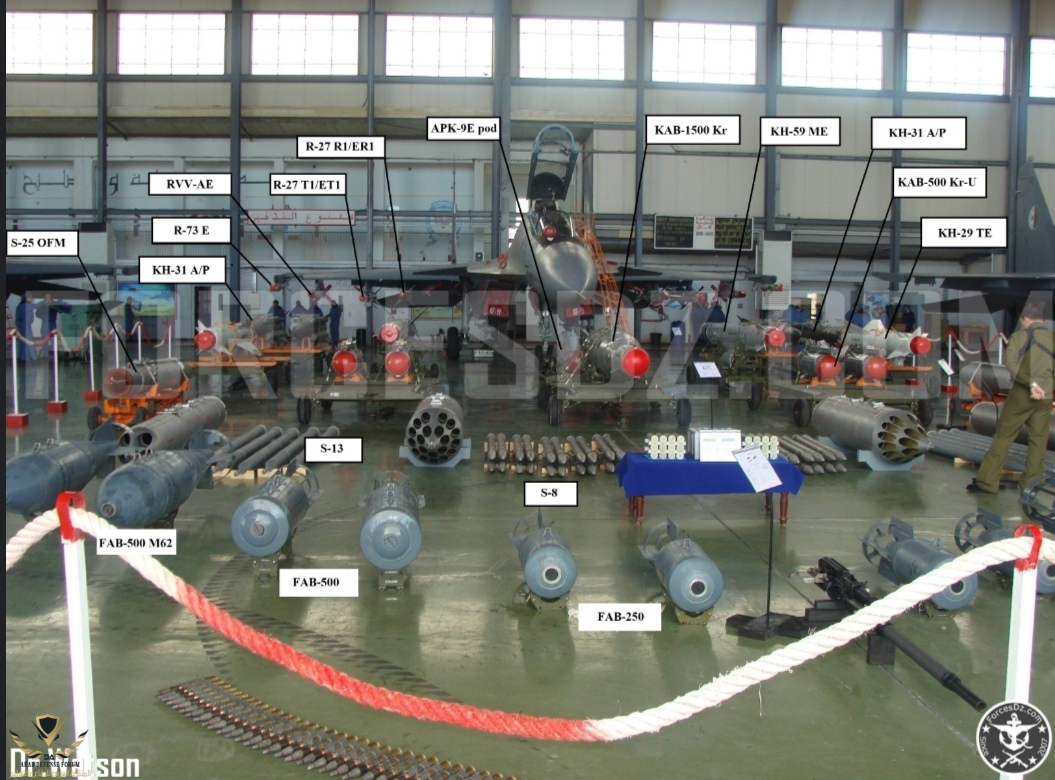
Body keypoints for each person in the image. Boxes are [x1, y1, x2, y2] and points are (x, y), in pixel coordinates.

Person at [970, 302, 1053, 493]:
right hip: (1046, 396)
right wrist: (1046, 387)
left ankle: (987, 482)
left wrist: (1031, 384)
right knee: (1039, 441)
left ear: (1025, 319)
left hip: (1023, 394)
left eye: (1022, 322)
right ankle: (1031, 485)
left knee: (1004, 436)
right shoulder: (1053, 338)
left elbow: (1011, 364)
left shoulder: (1020, 336)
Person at [38, 294, 73, 358]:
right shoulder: (41, 304)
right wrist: (43, 317)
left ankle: (54, 354)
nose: (48, 298)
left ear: (51, 297)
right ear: (44, 298)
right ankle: (45, 355)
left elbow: (61, 311)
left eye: (49, 296)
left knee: (53, 339)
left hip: (52, 322)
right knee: (44, 339)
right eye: (46, 297)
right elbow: (37, 313)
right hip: (45, 322)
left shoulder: (55, 304)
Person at [14, 293, 38, 361]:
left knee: (23, 341)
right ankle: (34, 357)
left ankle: (22, 357)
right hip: (25, 324)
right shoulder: (26, 305)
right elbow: (37, 306)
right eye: (31, 297)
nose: (32, 299)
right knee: (29, 340)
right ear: (26, 298)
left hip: (20, 324)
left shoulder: (20, 306)